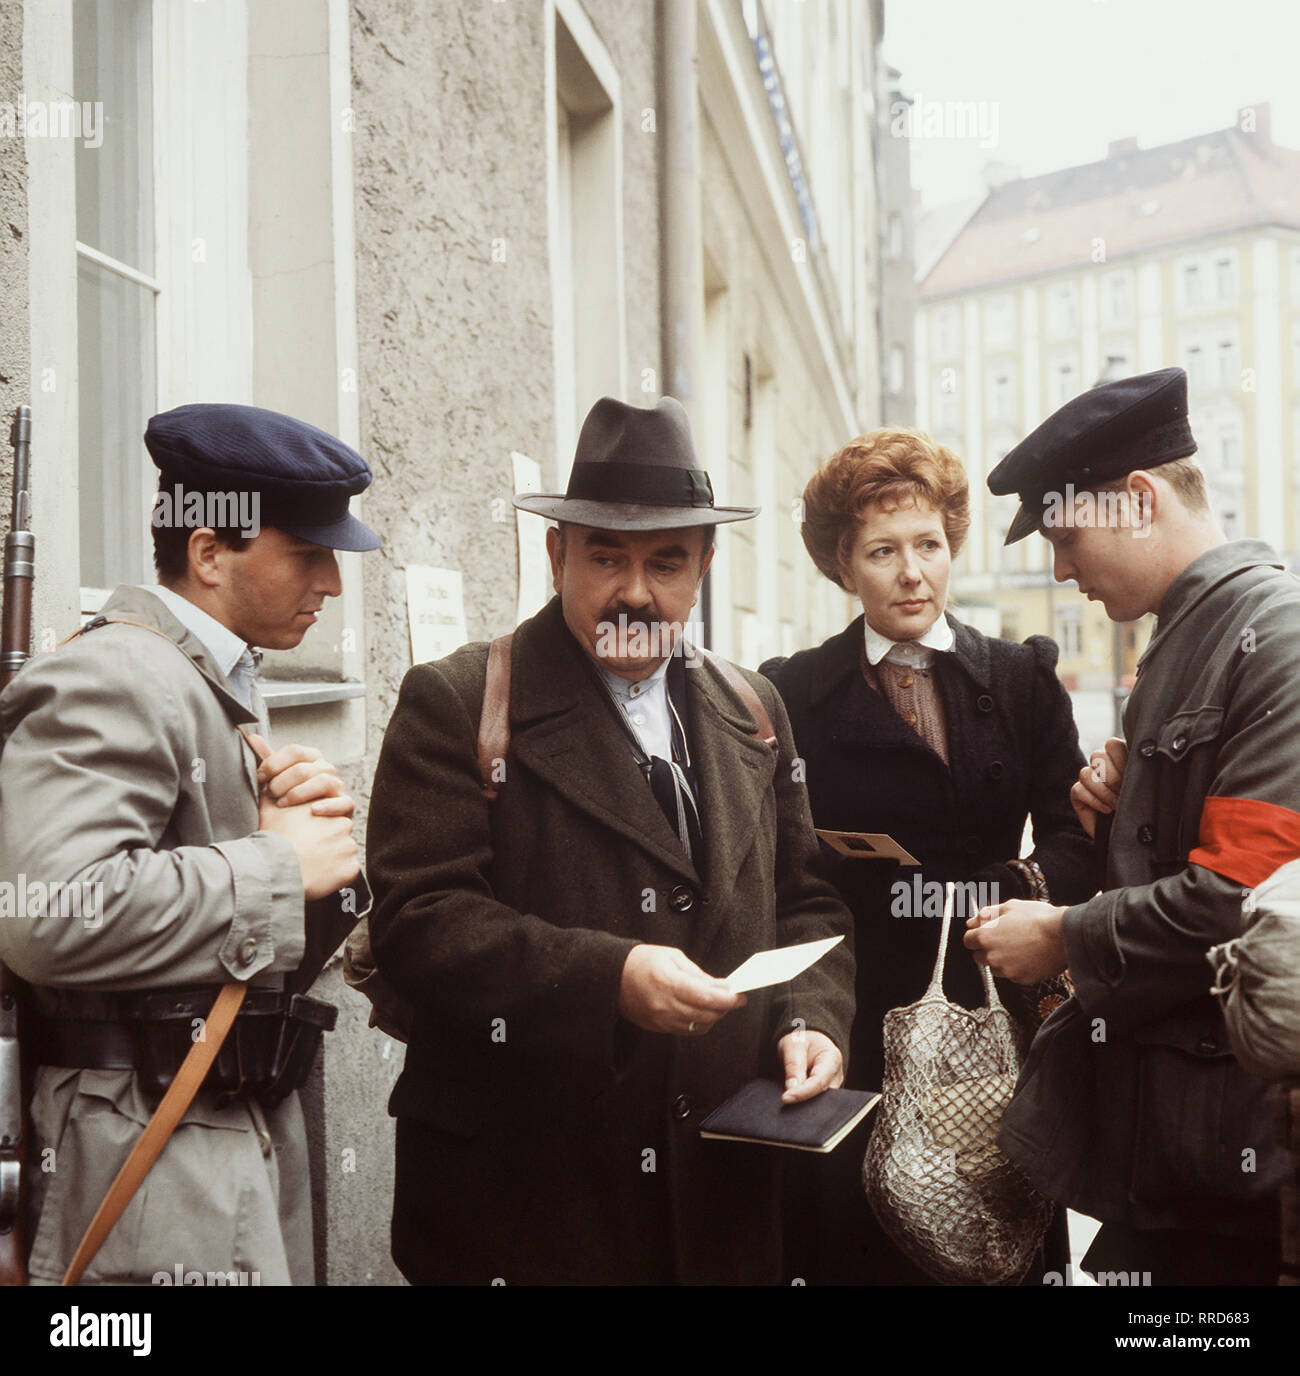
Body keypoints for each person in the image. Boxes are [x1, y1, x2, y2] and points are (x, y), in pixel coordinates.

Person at [364, 395, 855, 1285]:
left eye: (667, 561)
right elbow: (420, 922)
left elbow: (807, 901)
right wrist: (610, 979)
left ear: (705, 565)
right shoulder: (460, 700)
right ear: (557, 556)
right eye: (606, 556)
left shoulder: (753, 707)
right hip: (532, 1206)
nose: (636, 591)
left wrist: (810, 1020)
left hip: (719, 1201)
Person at [0, 403, 378, 1285]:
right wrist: (280, 869)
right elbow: (48, 909)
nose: (330, 584)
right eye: (309, 554)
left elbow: (243, 955)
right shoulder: (118, 674)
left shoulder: (213, 677)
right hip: (139, 1156)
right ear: (209, 552)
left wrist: (323, 871)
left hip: (209, 1134)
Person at [966, 366, 1299, 1286]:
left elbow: (1241, 900)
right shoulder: (1187, 634)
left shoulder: (1275, 635)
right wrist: (1124, 812)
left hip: (1235, 1163)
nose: (1063, 568)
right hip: (1177, 1154)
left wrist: (1063, 934)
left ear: (1139, 501)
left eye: (1067, 536)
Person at [759, 427, 1095, 1284]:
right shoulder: (792, 691)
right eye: (882, 550)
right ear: (843, 564)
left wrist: (1015, 892)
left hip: (992, 1015)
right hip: (856, 1025)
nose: (912, 573)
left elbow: (1073, 837)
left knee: (995, 1237)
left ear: (950, 549)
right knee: (866, 1247)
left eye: (929, 545)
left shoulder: (1019, 678)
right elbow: (779, 869)